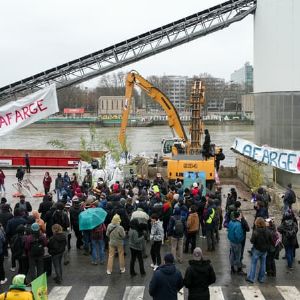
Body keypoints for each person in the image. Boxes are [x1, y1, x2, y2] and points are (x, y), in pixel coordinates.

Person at [246, 217, 273, 283]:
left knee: (253, 264)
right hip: (264, 250)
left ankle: (251, 278)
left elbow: (252, 241)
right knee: (263, 264)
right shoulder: (268, 231)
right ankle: (261, 278)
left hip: (257, 249)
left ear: (257, 223)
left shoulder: (256, 231)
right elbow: (271, 240)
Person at [227, 211, 245, 275]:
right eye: (240, 215)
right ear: (238, 217)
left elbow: (228, 230)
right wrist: (241, 239)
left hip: (231, 241)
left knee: (232, 254)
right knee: (238, 256)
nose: (241, 216)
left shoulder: (231, 222)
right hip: (237, 242)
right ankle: (239, 269)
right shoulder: (238, 224)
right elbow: (238, 235)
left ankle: (232, 268)